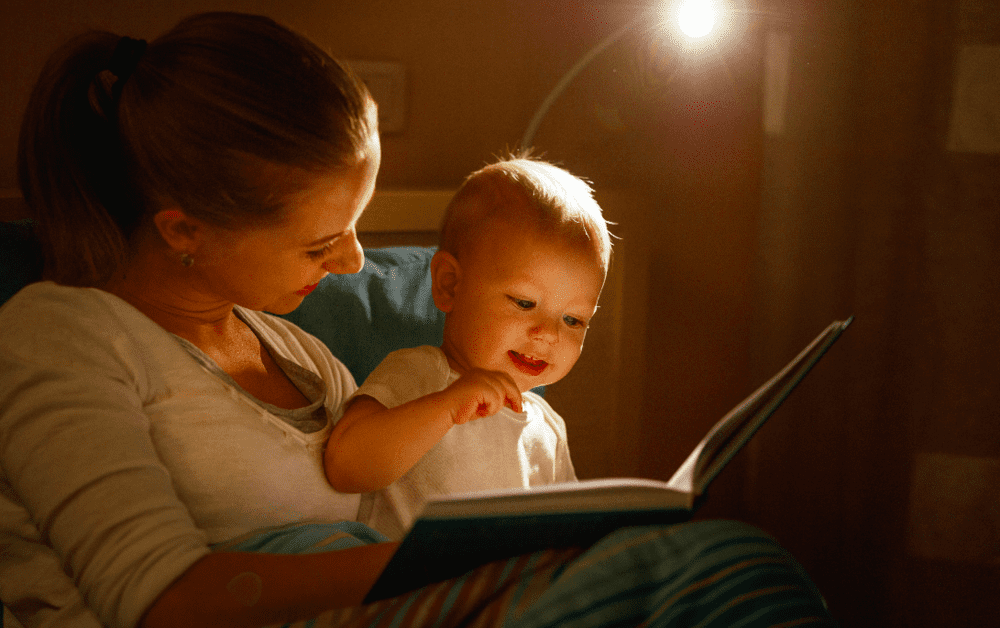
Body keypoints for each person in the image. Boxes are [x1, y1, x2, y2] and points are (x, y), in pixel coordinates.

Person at [0, 10, 839, 628]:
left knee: (720, 565)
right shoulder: (62, 336)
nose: (356, 265)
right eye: (320, 242)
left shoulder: (291, 350)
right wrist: (456, 568)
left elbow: (372, 486)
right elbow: (162, 599)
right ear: (184, 230)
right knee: (714, 569)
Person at [324, 156, 608, 540]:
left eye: (573, 320)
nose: (548, 334)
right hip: (413, 588)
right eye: (524, 303)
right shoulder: (422, 373)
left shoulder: (548, 429)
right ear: (449, 285)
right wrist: (445, 407)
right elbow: (345, 467)